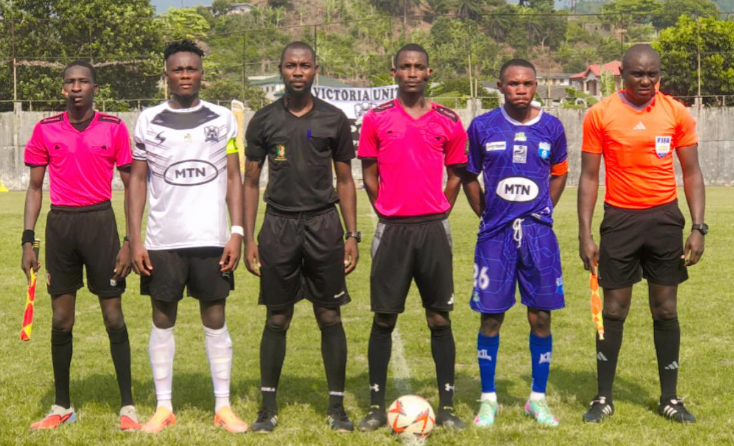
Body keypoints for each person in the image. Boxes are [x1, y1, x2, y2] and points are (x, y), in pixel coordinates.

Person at [578, 44, 705, 423]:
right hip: (620, 221)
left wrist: (698, 227)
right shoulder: (600, 114)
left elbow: (692, 173)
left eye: (652, 74)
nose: (646, 81)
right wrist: (585, 234)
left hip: (664, 220)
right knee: (613, 309)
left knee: (665, 308)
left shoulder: (675, 112)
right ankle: (603, 397)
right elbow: (589, 177)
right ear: (623, 74)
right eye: (638, 73)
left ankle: (670, 398)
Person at [128, 40, 247, 433]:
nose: (184, 76)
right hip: (163, 240)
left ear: (201, 74)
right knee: (162, 319)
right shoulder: (148, 120)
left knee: (215, 317)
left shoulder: (223, 119)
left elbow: (234, 177)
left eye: (191, 69)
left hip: (212, 238)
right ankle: (163, 407)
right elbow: (137, 182)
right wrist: (135, 239)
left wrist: (236, 232)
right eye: (177, 70)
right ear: (166, 74)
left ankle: (223, 406)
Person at [243, 41, 359, 433]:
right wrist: (249, 237)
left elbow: (345, 180)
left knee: (329, 314)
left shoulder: (334, 119)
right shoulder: (263, 120)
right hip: (278, 226)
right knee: (277, 317)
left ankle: (337, 407)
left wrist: (351, 234)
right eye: (291, 65)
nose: (297, 71)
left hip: (324, 225)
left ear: (315, 70)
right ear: (280, 69)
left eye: (304, 65)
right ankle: (267, 409)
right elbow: (250, 181)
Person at [22, 60, 139, 431]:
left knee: (113, 315)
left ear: (94, 88)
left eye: (83, 82)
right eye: (70, 82)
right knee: (61, 319)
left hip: (101, 225)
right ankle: (62, 406)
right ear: (63, 89)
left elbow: (132, 188)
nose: (76, 87)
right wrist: (29, 240)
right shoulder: (45, 129)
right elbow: (35, 188)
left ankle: (128, 407)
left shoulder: (114, 127)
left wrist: (129, 240)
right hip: (61, 227)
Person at [357, 43, 467, 431]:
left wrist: (442, 206)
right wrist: (385, 207)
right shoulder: (376, 118)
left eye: (419, 66)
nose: (412, 73)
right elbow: (368, 173)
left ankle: (448, 407)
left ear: (428, 72)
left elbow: (456, 172)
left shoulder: (448, 120)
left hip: (433, 228)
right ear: (394, 72)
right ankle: (375, 406)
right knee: (385, 317)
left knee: (439, 317)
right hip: (393, 230)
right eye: (405, 66)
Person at [463, 59, 568, 427]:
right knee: (491, 316)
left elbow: (560, 173)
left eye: (526, 83)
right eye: (512, 84)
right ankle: (488, 399)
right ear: (500, 86)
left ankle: (537, 399)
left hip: (539, 235)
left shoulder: (552, 127)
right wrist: (486, 213)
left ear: (536, 85)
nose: (520, 89)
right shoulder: (482, 126)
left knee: (541, 315)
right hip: (496, 236)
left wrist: (544, 209)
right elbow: (468, 175)